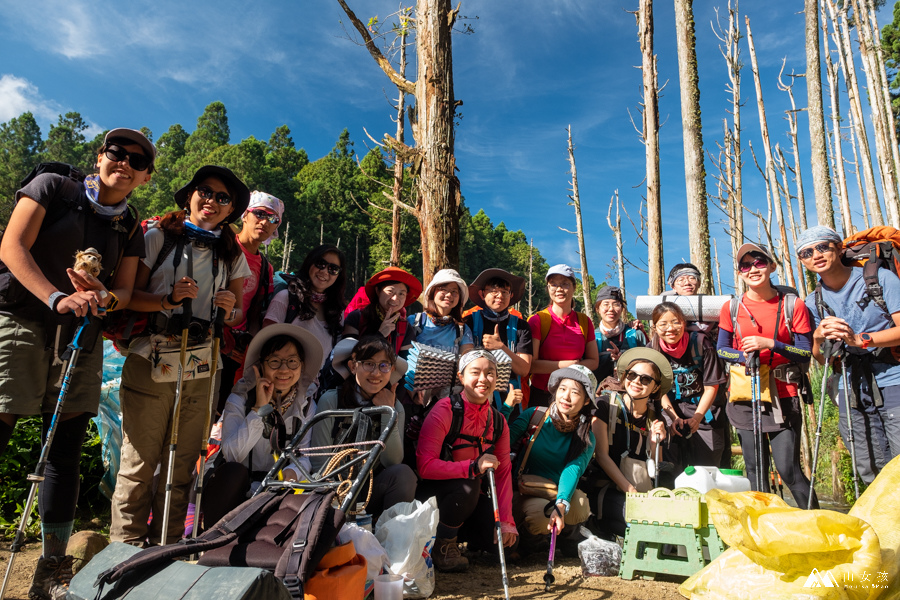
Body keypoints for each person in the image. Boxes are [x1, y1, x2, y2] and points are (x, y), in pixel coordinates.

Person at [0, 129, 154, 599]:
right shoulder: (52, 186)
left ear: (145, 178)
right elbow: (11, 248)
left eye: (136, 160)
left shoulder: (129, 225)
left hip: (81, 337)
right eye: (116, 153)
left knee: (64, 447)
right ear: (100, 156)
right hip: (23, 318)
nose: (123, 162)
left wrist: (104, 297)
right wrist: (56, 297)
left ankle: (50, 568)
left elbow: (123, 291)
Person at [110, 165, 251, 547]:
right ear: (189, 195)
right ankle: (123, 550)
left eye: (224, 198)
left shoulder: (229, 250)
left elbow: (238, 312)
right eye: (205, 191)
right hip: (150, 357)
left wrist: (229, 308)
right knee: (139, 462)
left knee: (183, 463)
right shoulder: (157, 238)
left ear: (230, 210)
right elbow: (128, 296)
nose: (212, 201)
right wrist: (167, 300)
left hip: (205, 364)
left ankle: (166, 547)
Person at [716, 243, 817, 508]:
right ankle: (765, 531)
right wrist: (741, 356)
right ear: (739, 273)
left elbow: (805, 353)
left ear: (772, 266)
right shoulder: (731, 307)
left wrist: (771, 344)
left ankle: (819, 528)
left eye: (759, 262)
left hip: (783, 395)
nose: (753, 269)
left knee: (789, 470)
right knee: (755, 471)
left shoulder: (793, 305)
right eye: (745, 265)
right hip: (744, 395)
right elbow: (722, 350)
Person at [799, 225, 900, 484]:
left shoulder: (879, 279)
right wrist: (819, 338)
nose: (816, 255)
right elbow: (822, 359)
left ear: (839, 247)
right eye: (806, 253)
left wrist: (860, 340)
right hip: (850, 386)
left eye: (823, 247)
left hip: (893, 378)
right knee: (868, 465)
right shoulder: (813, 302)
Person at [203, 325, 323, 528]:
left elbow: (304, 455)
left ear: (301, 366)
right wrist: (259, 409)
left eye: (292, 362)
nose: (284, 370)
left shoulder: (307, 404)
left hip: (277, 488)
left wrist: (292, 473)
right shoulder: (239, 399)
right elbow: (232, 455)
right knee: (233, 473)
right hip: (235, 490)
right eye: (275, 361)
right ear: (261, 366)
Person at [416, 350, 516, 572]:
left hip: (467, 499)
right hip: (434, 495)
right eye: (475, 372)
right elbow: (424, 467)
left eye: (490, 373)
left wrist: (507, 520)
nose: (483, 379)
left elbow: (503, 472)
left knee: (506, 545)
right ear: (461, 377)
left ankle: (462, 536)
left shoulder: (498, 421)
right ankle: (443, 546)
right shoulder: (445, 409)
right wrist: (472, 468)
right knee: (469, 484)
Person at [310, 336, 417, 522]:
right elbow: (319, 461)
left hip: (370, 490)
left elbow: (393, 460)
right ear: (353, 367)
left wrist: (387, 413)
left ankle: (389, 540)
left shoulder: (395, 407)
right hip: (331, 490)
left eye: (384, 365)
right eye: (369, 364)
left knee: (404, 474)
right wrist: (340, 497)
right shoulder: (331, 400)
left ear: (391, 370)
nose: (376, 373)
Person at [510, 365, 595, 556]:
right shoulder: (535, 416)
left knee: (580, 504)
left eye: (575, 392)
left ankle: (564, 540)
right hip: (525, 489)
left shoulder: (586, 436)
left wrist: (561, 504)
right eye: (562, 389)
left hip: (556, 491)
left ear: (586, 400)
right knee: (541, 516)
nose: (566, 397)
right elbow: (503, 441)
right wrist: (507, 407)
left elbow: (572, 469)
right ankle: (530, 543)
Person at [590, 348, 671, 538]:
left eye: (645, 379)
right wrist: (631, 491)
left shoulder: (656, 419)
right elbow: (601, 456)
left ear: (656, 387)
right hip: (607, 489)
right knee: (639, 524)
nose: (636, 382)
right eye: (632, 375)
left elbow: (656, 468)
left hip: (641, 493)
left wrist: (654, 443)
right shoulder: (604, 405)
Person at [218, 191, 282, 415]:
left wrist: (249, 348)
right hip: (209, 337)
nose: (264, 222)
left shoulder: (266, 267)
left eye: (273, 219)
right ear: (245, 215)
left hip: (235, 352)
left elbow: (255, 313)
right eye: (259, 213)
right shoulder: (222, 246)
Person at [649, 302, 727, 468]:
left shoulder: (701, 344)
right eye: (663, 324)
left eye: (676, 322)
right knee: (670, 466)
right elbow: (658, 389)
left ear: (684, 323)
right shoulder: (653, 350)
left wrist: (697, 417)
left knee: (708, 467)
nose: (670, 329)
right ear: (655, 328)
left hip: (704, 410)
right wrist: (674, 418)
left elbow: (712, 386)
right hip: (671, 409)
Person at [264, 244, 347, 382]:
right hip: (277, 384)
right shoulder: (286, 298)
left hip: (309, 393)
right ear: (310, 263)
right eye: (321, 263)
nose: (325, 272)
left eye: (333, 269)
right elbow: (265, 344)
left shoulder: (336, 311)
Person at [528, 265, 599, 407]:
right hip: (542, 395)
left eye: (564, 284)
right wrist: (567, 366)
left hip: (573, 396)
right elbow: (531, 365)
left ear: (574, 287)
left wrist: (574, 367)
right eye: (553, 284)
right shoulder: (537, 320)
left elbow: (593, 361)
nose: (559, 289)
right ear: (548, 288)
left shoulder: (584, 321)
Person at [465, 269, 532, 414]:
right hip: (476, 393)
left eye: (505, 291)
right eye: (493, 291)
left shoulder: (521, 327)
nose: (500, 296)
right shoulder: (469, 322)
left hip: (510, 397)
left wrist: (501, 347)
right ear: (482, 294)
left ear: (511, 295)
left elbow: (524, 369)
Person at [405, 269, 475, 404]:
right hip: (413, 395)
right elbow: (403, 356)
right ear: (433, 292)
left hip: (447, 399)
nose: (449, 295)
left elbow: (467, 360)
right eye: (443, 289)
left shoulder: (462, 329)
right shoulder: (415, 322)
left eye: (454, 292)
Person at [343, 266, 422, 356]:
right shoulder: (357, 317)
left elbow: (406, 363)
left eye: (401, 294)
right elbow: (347, 355)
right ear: (378, 291)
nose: (395, 298)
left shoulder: (404, 326)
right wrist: (380, 335)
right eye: (390, 291)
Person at [593, 286, 646, 383]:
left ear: (622, 309)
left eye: (616, 304)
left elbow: (648, 366)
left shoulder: (636, 335)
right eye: (606, 304)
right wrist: (608, 358)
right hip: (599, 394)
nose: (611, 309)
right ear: (598, 309)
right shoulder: (592, 338)